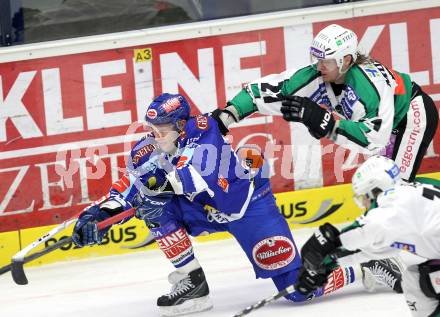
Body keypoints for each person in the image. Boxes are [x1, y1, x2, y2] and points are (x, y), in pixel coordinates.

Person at [70, 93, 397, 316]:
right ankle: (193, 284)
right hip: (204, 210)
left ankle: (364, 270)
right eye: (150, 129)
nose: (153, 136)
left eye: (161, 129)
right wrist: (100, 214)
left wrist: (150, 187)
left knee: (298, 291)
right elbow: (128, 187)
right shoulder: (149, 148)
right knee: (156, 208)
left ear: (181, 125)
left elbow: (189, 176)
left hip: (247, 207)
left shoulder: (205, 132)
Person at [212, 23, 438, 182]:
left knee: (394, 185)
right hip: (386, 124)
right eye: (317, 59)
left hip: (412, 114)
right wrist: (228, 115)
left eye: (326, 61)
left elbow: (375, 139)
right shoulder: (317, 75)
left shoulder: (369, 86)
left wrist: (327, 124)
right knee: (380, 183)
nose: (319, 66)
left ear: (346, 60)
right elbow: (260, 92)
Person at [296, 155, 440, 316]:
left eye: (363, 197)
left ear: (374, 189)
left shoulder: (391, 206)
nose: (363, 204)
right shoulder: (414, 194)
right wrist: (329, 264)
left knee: (418, 283)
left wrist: (330, 244)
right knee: (421, 277)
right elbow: (372, 250)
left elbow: (364, 230)